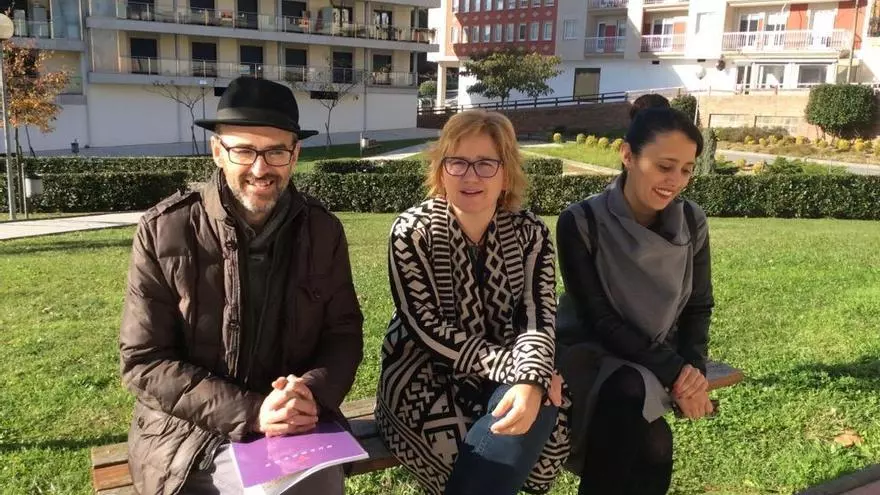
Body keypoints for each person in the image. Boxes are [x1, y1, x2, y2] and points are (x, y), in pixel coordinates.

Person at [118, 77, 364, 495]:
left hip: (293, 426)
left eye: (275, 152)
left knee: (312, 485)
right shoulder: (165, 230)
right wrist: (252, 413)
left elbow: (343, 333)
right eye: (244, 150)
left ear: (295, 154)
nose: (260, 168)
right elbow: (144, 360)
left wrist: (311, 394)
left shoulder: (323, 230)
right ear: (218, 151)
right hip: (191, 434)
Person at [375, 110, 569, 495]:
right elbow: (424, 327)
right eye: (458, 162)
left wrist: (530, 375)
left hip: (509, 361)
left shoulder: (530, 232)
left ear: (506, 173)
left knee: (540, 405)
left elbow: (539, 315)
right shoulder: (412, 232)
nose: (470, 176)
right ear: (441, 170)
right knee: (513, 412)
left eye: (485, 164)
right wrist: (526, 372)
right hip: (425, 371)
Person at [556, 107, 714, 495]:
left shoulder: (691, 222)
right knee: (632, 400)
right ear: (627, 155)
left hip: (655, 354)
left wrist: (692, 373)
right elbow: (598, 318)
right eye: (664, 166)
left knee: (655, 443)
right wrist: (675, 371)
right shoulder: (580, 221)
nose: (675, 181)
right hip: (589, 351)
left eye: (686, 170)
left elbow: (698, 305)